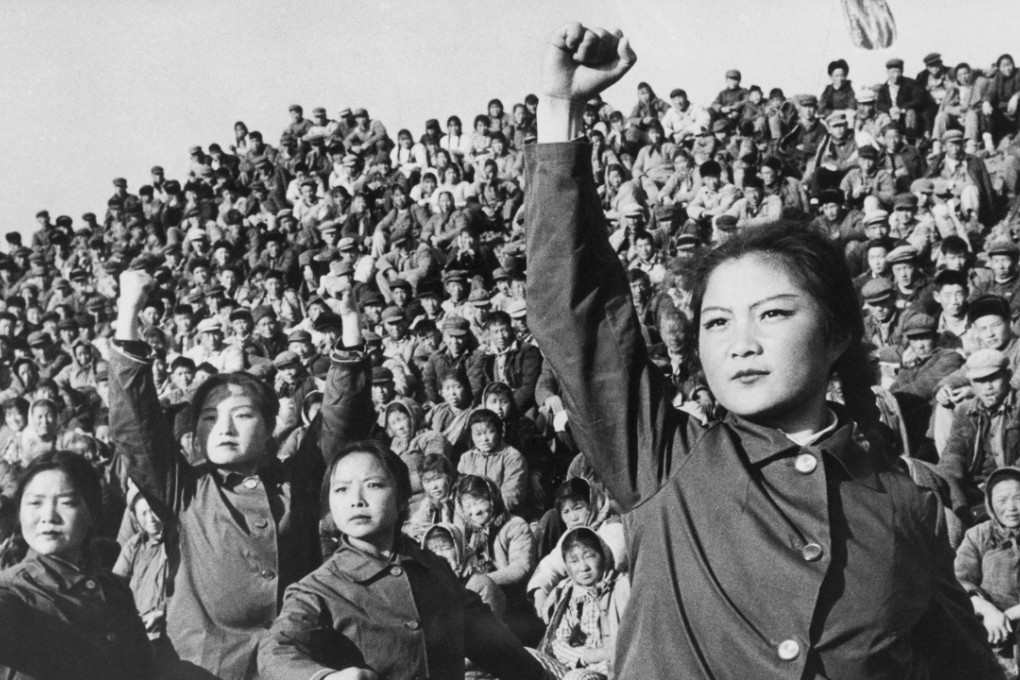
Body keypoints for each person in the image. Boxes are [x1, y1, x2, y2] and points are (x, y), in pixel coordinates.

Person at [527, 22, 1000, 679]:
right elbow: (575, 316)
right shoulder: (666, 463)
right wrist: (562, 110)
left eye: (772, 314)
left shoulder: (903, 504)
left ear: (836, 334)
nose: (740, 343)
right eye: (716, 323)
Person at [111, 269, 372, 680]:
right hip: (202, 670)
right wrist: (129, 312)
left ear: (270, 426)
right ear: (195, 432)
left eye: (242, 415)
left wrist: (351, 317)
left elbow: (341, 419)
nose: (224, 429)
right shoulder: (186, 490)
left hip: (298, 665)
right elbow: (135, 425)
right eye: (210, 418)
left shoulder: (297, 481)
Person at [257, 441, 545, 680]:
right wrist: (323, 678)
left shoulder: (434, 569)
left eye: (373, 485)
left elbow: (493, 644)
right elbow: (275, 651)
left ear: (403, 498)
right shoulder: (320, 588)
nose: (356, 499)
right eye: (341, 489)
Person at [0, 451, 155, 679]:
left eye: (66, 502)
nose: (48, 516)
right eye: (34, 503)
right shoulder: (13, 592)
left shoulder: (115, 589)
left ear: (91, 512)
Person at [533, 527, 630, 680]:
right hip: (574, 665)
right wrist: (587, 655)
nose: (583, 567)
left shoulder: (620, 586)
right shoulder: (568, 592)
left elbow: (629, 643)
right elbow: (558, 644)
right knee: (527, 655)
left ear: (604, 556)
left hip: (609, 669)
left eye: (590, 556)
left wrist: (605, 654)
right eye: (574, 561)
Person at [955, 467, 1020, 665]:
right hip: (991, 627)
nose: (1012, 507)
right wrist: (987, 609)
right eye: (1002, 500)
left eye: (1018, 498)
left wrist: (1011, 614)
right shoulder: (978, 535)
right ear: (990, 503)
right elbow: (958, 580)